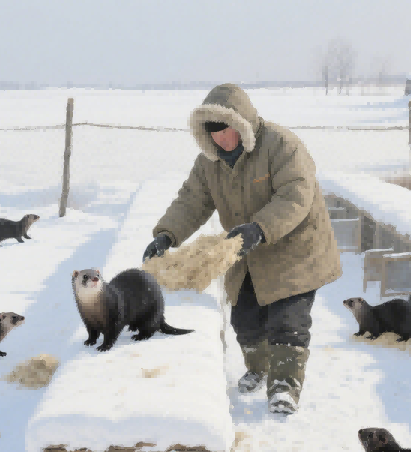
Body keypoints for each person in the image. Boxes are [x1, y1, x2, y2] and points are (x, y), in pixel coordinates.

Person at [143, 83, 342, 415]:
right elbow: (192, 201)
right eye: (212, 132)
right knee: (245, 318)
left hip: (294, 248)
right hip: (246, 247)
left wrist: (260, 228)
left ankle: (284, 385)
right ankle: (259, 367)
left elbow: (296, 195)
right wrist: (167, 235)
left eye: (224, 129)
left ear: (241, 123)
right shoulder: (209, 163)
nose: (220, 138)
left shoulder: (282, 146)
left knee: (287, 319)